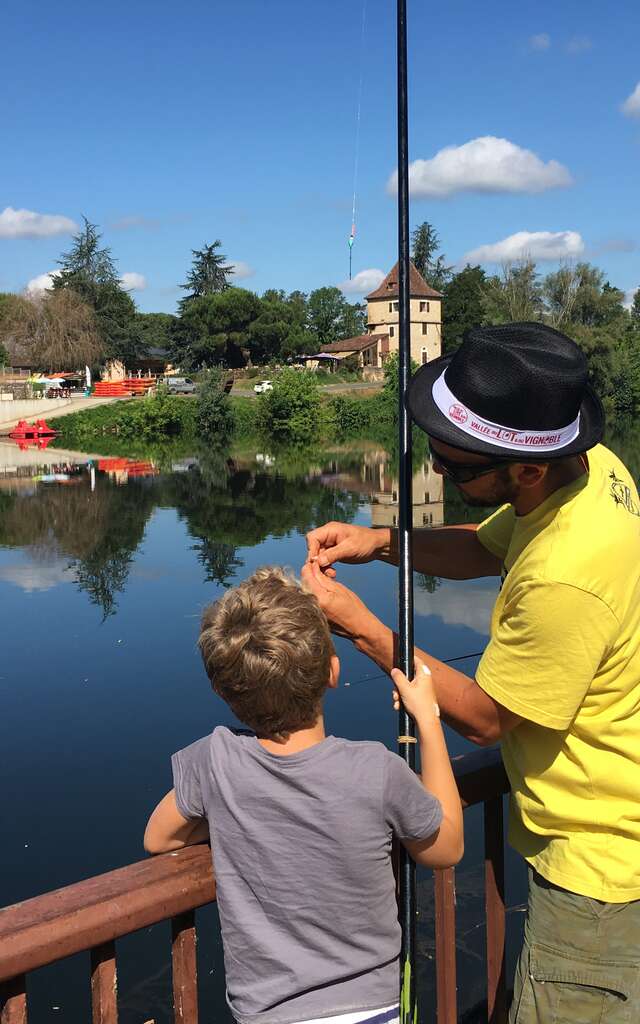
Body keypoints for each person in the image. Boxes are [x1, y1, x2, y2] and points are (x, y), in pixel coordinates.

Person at [305, 322, 640, 1022]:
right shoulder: (590, 468)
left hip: (601, 875)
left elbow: (488, 716)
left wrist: (365, 629)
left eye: (456, 469)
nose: (438, 473)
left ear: (526, 468)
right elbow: (489, 548)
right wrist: (382, 542)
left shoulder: (564, 578)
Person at [144, 566, 463, 1024]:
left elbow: (159, 838)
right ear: (333, 672)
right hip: (371, 1009)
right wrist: (429, 721)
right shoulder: (375, 770)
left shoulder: (215, 760)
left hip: (267, 1014)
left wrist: (240, 811)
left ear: (222, 689)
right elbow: (446, 847)